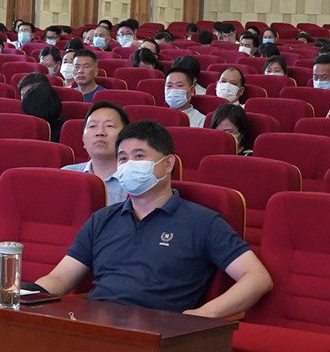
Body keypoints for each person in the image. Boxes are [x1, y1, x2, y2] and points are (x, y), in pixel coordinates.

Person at [34, 120, 273, 317]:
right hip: (95, 326)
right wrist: (22, 294)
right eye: (123, 159)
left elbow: (257, 278)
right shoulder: (102, 219)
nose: (129, 165)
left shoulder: (203, 221)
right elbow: (60, 278)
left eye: (139, 156)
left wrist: (203, 315)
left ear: (168, 163)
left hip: (157, 335)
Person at [61, 101, 129, 205]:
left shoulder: (136, 181)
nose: (100, 132)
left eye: (109, 126)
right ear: (83, 139)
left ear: (126, 137)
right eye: (92, 126)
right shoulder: (65, 175)